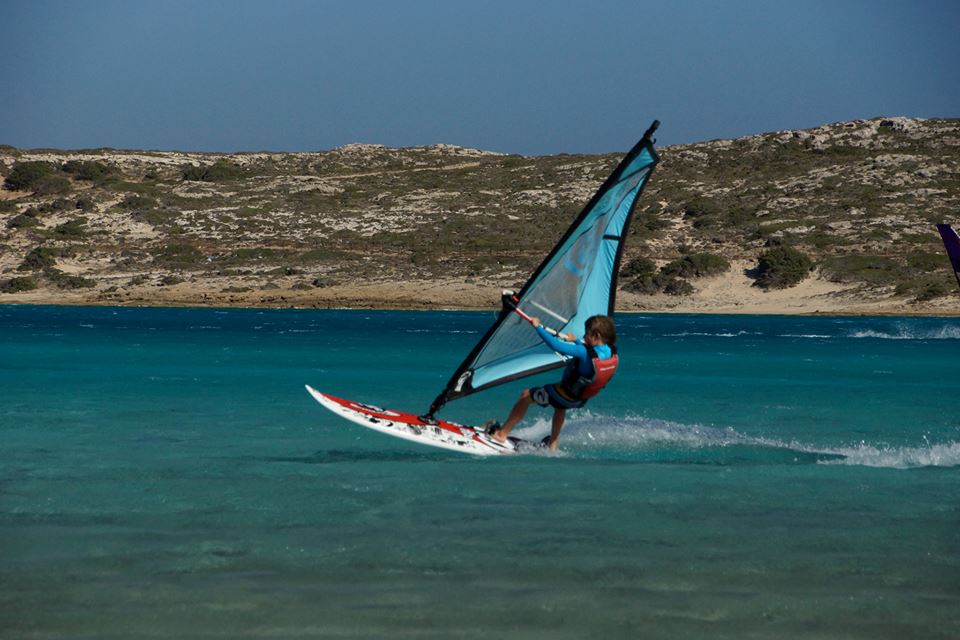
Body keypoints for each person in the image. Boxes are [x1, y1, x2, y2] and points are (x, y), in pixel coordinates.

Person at [489, 315, 618, 450]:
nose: (584, 336)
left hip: (563, 395)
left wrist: (537, 327)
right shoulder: (611, 352)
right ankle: (553, 444)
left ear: (596, 335)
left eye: (587, 334)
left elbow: (556, 345)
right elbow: (592, 353)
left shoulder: (583, 351)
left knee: (526, 395)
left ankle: (501, 434)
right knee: (560, 407)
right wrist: (576, 341)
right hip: (580, 399)